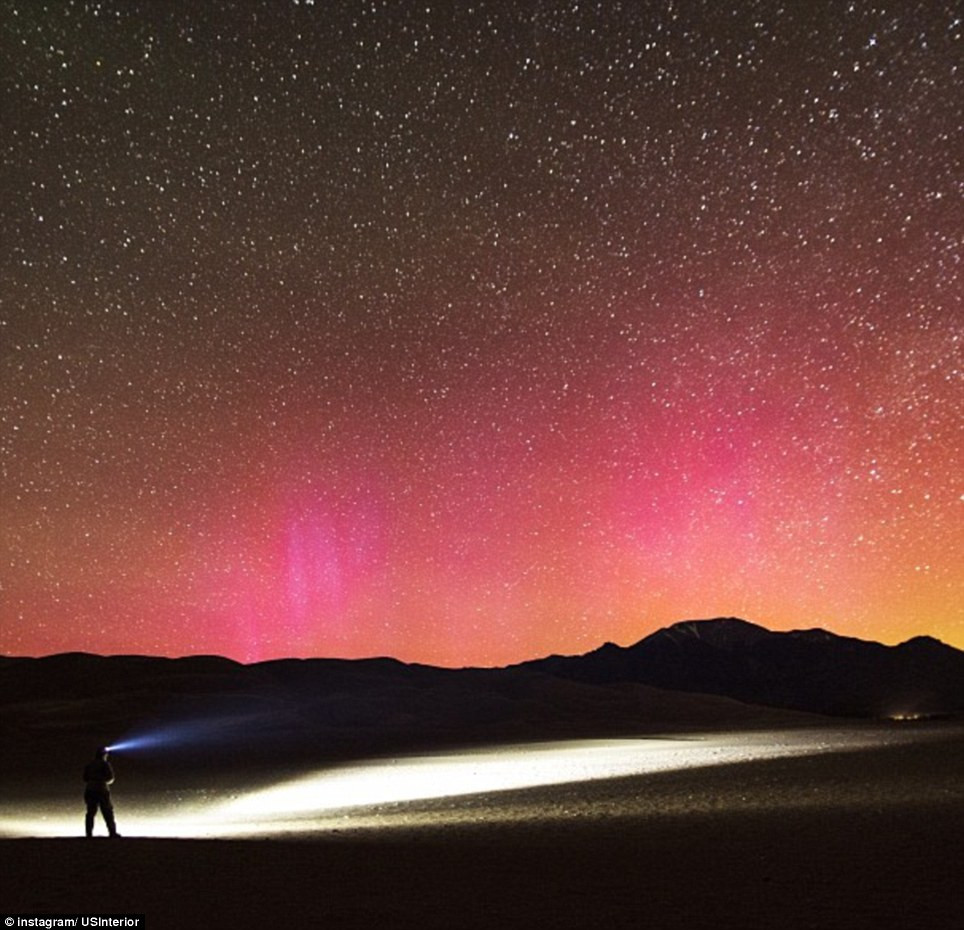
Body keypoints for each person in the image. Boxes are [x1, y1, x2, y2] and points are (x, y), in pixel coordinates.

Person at [83, 747, 120, 837]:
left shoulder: (90, 764)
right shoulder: (105, 764)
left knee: (90, 812)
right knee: (107, 811)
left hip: (90, 789)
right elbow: (110, 778)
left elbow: (85, 778)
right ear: (104, 755)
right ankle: (112, 832)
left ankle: (89, 833)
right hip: (102, 789)